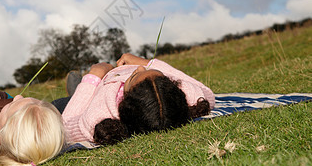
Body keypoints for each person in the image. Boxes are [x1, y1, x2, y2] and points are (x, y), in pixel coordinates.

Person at [61, 53, 215, 145]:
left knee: (60, 105)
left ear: (125, 100)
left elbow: (66, 126)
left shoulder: (102, 109)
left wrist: (93, 77)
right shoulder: (185, 95)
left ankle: (76, 92)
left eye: (134, 76)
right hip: (116, 74)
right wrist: (145, 62)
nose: (140, 69)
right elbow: (206, 93)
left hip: (97, 88)